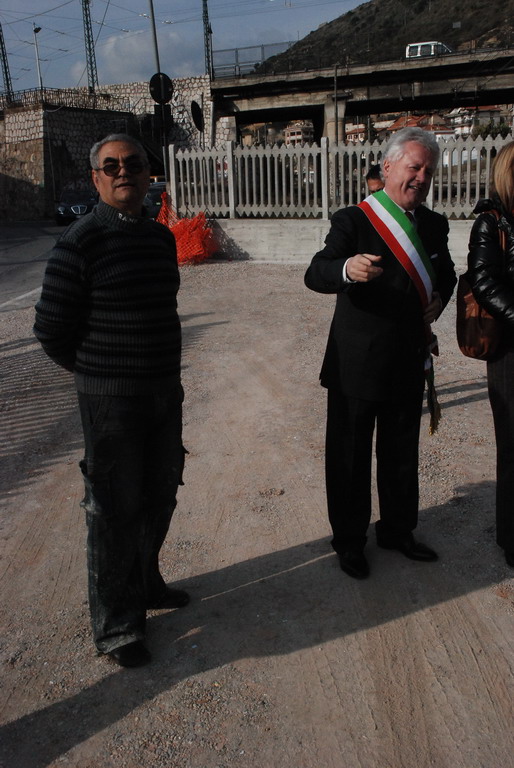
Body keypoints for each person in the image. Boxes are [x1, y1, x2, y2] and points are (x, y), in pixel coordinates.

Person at [34, 133, 188, 667]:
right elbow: (51, 329)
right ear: (96, 178)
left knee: (160, 493)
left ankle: (146, 583)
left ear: (148, 174)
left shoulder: (160, 237)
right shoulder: (80, 242)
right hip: (111, 403)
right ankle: (118, 626)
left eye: (134, 164)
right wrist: (99, 373)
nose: (125, 172)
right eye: (112, 165)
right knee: (113, 511)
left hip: (164, 393)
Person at [304, 127, 457, 579]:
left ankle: (397, 530)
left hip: (408, 357)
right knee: (350, 458)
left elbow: (446, 274)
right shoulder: (353, 220)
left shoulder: (434, 225)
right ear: (388, 167)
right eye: (414, 167)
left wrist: (439, 299)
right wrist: (347, 268)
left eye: (428, 171)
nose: (421, 178)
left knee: (401, 453)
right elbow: (317, 271)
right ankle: (350, 541)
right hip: (358, 362)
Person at [466, 141, 514, 569]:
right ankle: (512, 538)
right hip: (509, 350)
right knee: (513, 445)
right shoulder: (491, 221)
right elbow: (484, 283)